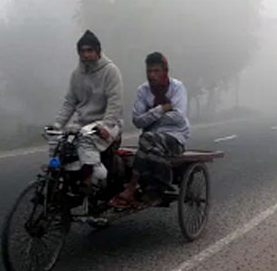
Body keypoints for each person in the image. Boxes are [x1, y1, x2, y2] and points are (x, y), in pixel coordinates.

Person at [109, 52, 190, 208]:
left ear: (165, 71)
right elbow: (137, 121)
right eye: (149, 71)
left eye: (156, 71)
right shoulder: (143, 91)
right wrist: (161, 109)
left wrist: (150, 116)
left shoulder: (177, 88)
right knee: (148, 140)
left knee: (146, 138)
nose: (152, 75)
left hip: (175, 138)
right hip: (151, 143)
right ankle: (155, 187)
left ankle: (132, 187)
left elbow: (179, 117)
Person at [50, 29, 124, 192]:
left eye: (89, 50)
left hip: (108, 124)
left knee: (85, 140)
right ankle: (59, 182)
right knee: (58, 142)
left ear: (98, 51)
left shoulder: (110, 71)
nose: (86, 55)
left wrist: (106, 125)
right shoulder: (76, 75)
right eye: (82, 51)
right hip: (83, 123)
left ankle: (90, 182)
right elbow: (70, 102)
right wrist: (57, 125)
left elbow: (115, 102)